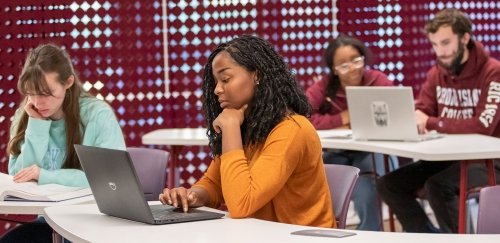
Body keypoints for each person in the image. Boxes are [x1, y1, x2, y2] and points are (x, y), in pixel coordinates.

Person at [159, 35, 335, 228]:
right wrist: (191, 196)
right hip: (260, 234)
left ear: (256, 76)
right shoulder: (247, 125)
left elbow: (241, 204)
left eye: (225, 79)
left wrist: (231, 128)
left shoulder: (292, 129)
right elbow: (214, 183)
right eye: (215, 82)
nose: (217, 89)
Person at [377, 8, 500, 233]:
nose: (440, 51)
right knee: (388, 184)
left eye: (445, 43)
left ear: (465, 38)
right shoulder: (437, 72)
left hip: (489, 160)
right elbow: (424, 109)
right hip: (449, 156)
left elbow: (483, 125)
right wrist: (413, 117)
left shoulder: (493, 71)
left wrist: (433, 123)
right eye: (434, 44)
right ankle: (430, 238)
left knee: (437, 186)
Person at [0, 44, 126, 242]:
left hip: (93, 222)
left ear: (68, 82)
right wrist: (37, 126)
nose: (37, 102)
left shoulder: (97, 115)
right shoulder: (27, 114)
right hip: (48, 222)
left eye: (46, 93)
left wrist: (45, 175)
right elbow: (20, 178)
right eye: (31, 92)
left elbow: (110, 180)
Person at [305, 35, 394, 231]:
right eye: (343, 65)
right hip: (337, 150)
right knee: (315, 186)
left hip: (371, 151)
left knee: (367, 192)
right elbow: (304, 116)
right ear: (334, 69)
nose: (352, 67)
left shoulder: (378, 80)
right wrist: (342, 118)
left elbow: (394, 113)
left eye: (356, 60)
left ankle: (369, 236)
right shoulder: (324, 87)